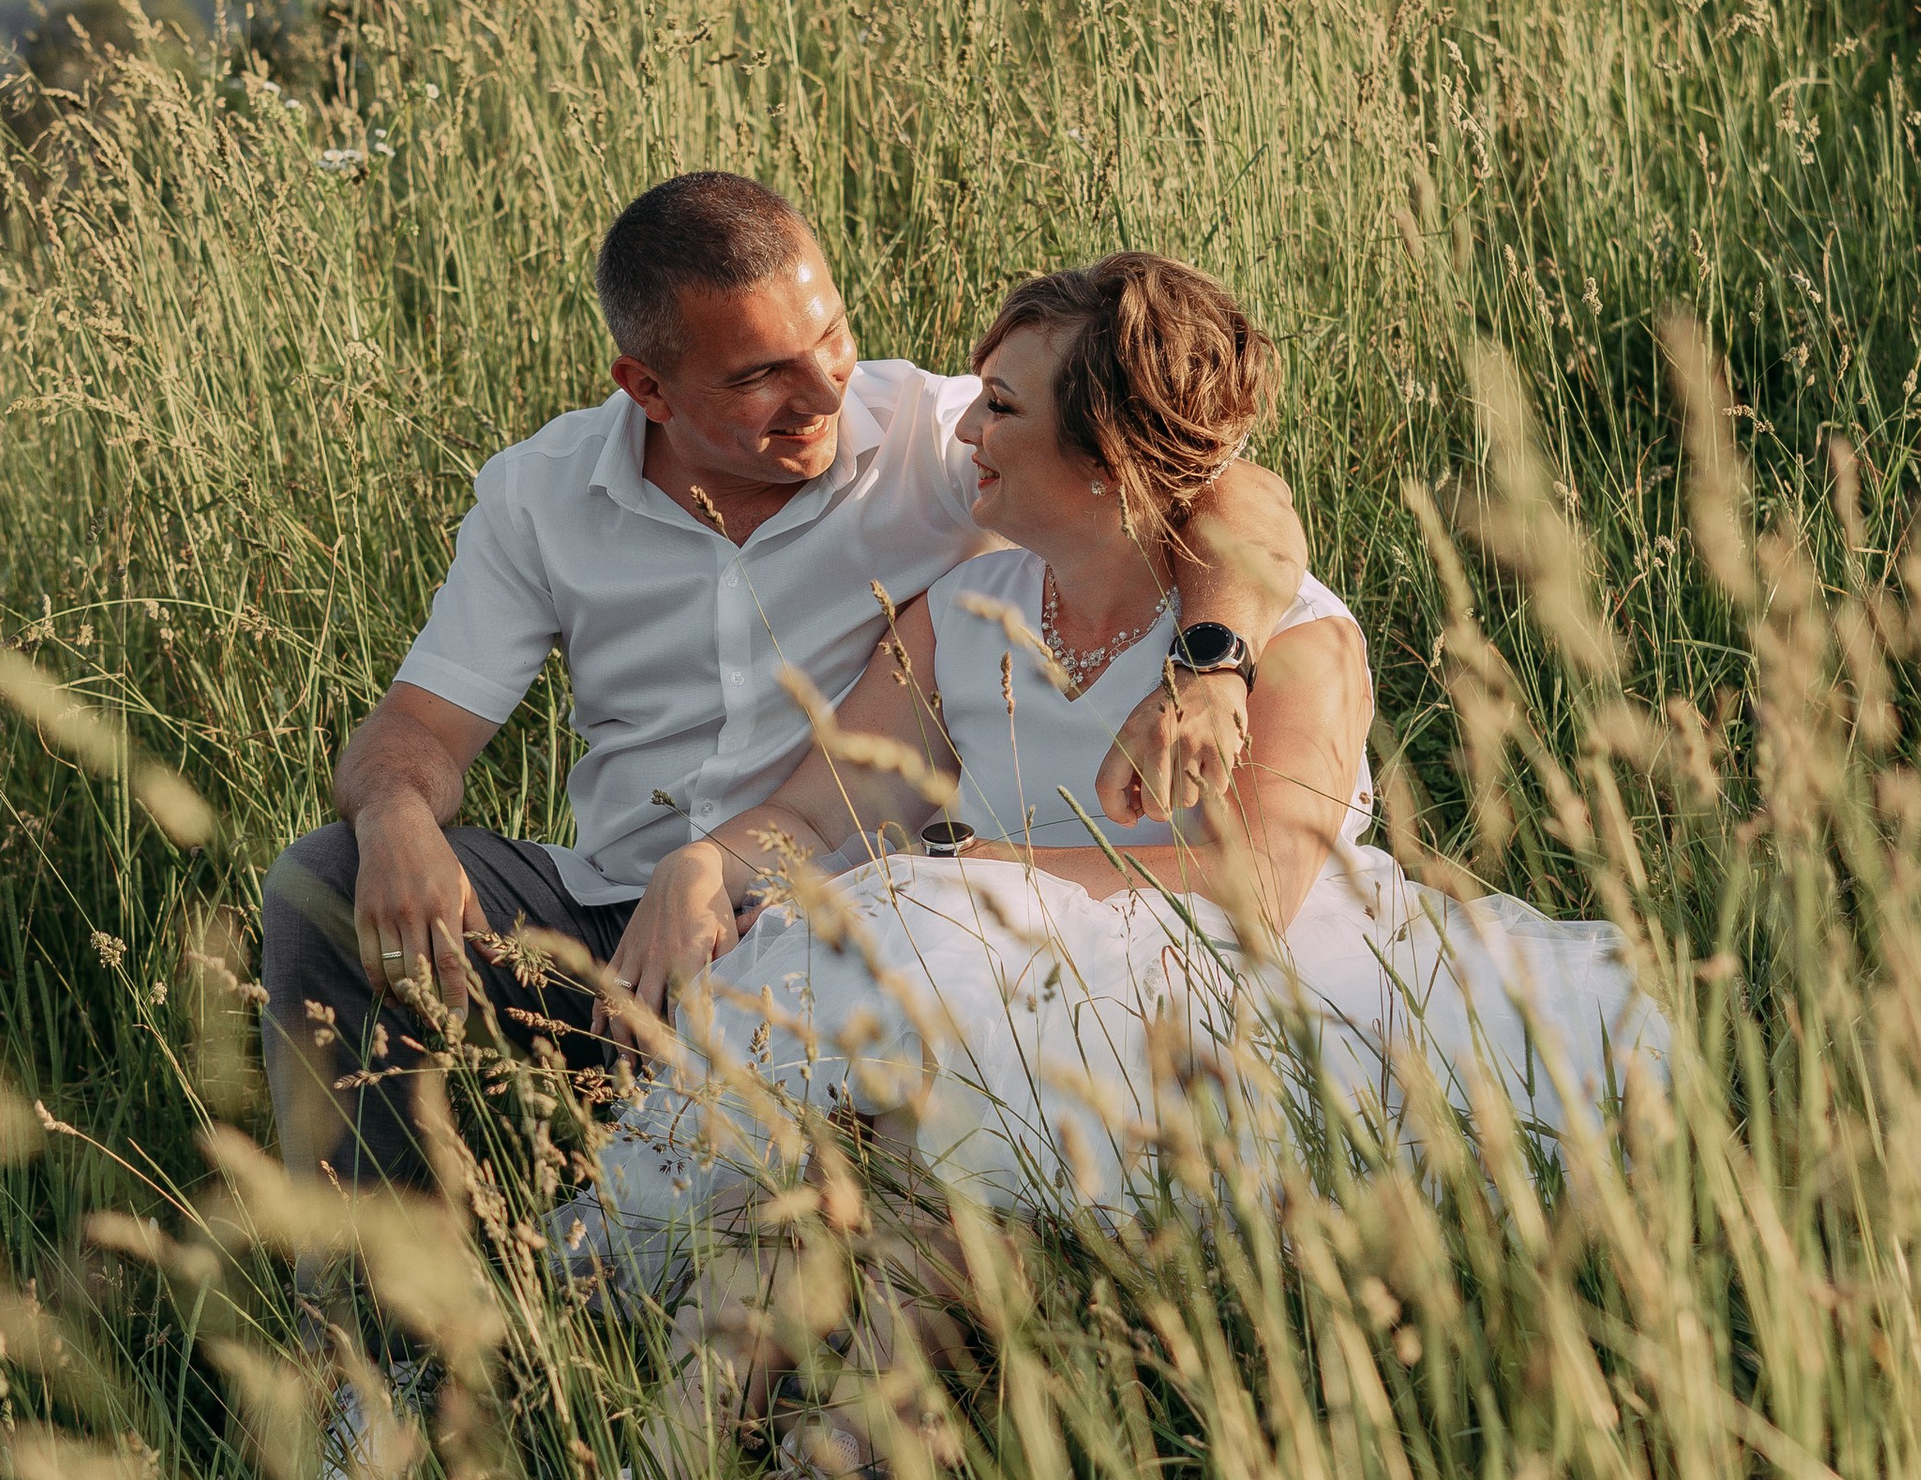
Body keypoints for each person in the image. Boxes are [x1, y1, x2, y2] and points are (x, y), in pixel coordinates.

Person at [581, 250, 1668, 1308]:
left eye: (1001, 408)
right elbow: (820, 809)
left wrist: (974, 879)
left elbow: (1259, 886)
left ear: (1104, 453)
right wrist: (706, 861)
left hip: (1238, 1005)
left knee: (921, 1161)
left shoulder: (1289, 639)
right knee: (839, 1179)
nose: (963, 429)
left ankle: (808, 1476)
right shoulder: (962, 613)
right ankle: (688, 1472)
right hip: (1000, 1001)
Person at [260, 177, 1312, 1186]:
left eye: (831, 341)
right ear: (647, 387)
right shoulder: (541, 496)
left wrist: (1210, 662)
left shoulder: (939, 438)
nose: (821, 395)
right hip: (623, 925)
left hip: (861, 931)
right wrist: (395, 813)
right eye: (761, 375)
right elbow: (418, 730)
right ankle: (372, 1335)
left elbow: (1216, 484)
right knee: (329, 880)